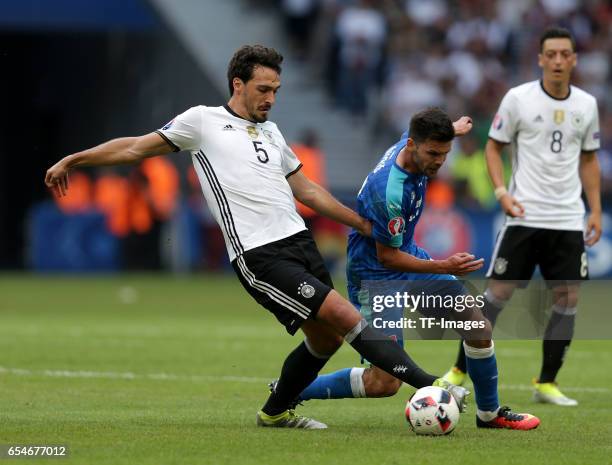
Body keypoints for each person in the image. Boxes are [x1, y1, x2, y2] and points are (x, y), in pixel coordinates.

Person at [45, 44, 468, 430]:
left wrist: (357, 223)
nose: (270, 98)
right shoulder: (202, 122)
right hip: (258, 253)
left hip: (299, 242)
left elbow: (306, 190)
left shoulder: (272, 132)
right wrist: (74, 159)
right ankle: (432, 386)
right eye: (263, 88)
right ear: (238, 84)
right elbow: (135, 147)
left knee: (327, 337)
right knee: (345, 316)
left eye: (276, 90)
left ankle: (276, 411)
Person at [294, 107, 540, 430]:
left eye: (445, 153)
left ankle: (489, 414)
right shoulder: (390, 192)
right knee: (383, 383)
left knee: (477, 327)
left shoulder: (414, 145)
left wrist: (454, 128)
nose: (439, 161)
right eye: (434, 153)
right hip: (376, 276)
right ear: (412, 145)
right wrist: (444, 264)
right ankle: (293, 389)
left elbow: (428, 135)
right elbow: (388, 258)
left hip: (407, 255)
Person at [442, 27, 602, 407]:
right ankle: (458, 371)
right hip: (524, 214)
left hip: (566, 218)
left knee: (567, 298)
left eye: (566, 54)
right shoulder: (518, 99)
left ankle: (546, 383)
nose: (560, 60)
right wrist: (502, 193)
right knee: (497, 294)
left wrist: (594, 209)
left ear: (574, 59)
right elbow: (493, 149)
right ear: (541, 59)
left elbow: (590, 159)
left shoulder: (587, 105)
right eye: (553, 54)